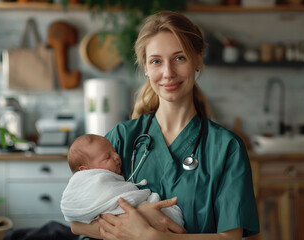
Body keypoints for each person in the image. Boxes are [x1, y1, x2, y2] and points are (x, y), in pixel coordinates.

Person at [70, 11, 259, 240]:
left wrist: (155, 237)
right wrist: (137, 218)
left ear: (198, 59)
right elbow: (77, 223)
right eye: (156, 61)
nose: (168, 73)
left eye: (180, 58)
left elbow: (230, 237)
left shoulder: (226, 148)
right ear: (146, 67)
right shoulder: (120, 139)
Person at [60, 134, 184, 227]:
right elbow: (75, 224)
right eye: (107, 156)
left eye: (114, 151)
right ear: (86, 171)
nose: (116, 156)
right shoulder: (92, 184)